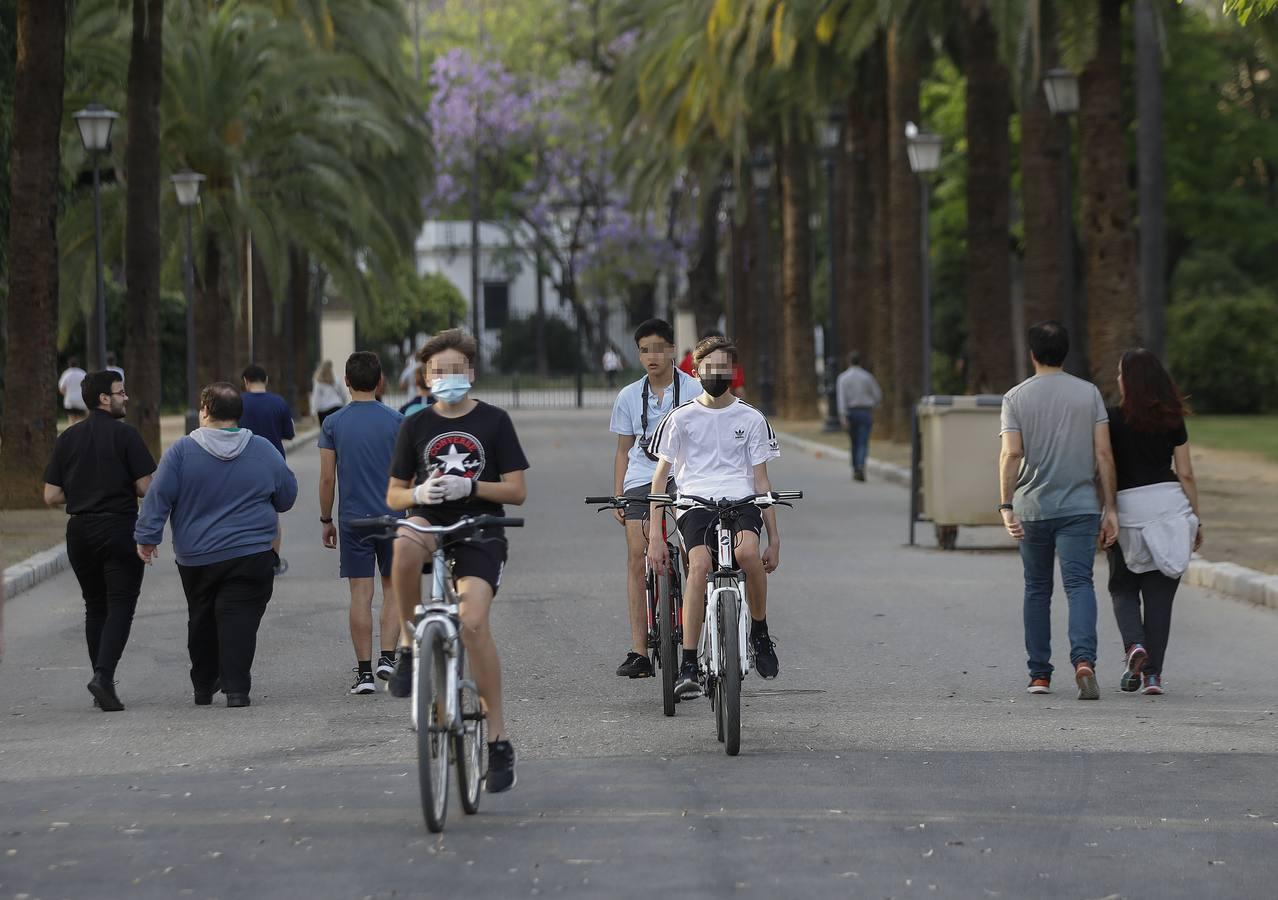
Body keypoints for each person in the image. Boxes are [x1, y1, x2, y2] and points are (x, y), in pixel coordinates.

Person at [386, 329, 529, 793]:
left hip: (481, 528)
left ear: (470, 373)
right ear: (424, 379)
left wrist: (472, 487)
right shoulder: (415, 424)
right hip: (430, 520)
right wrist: (419, 493)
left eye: (455, 370)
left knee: (472, 624)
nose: (446, 378)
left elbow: (516, 490)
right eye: (437, 372)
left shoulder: (494, 421)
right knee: (403, 545)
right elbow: (394, 495)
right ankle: (409, 642)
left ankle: (498, 737)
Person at [135, 383, 298, 708]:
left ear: (205, 411)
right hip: (251, 553)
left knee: (202, 616)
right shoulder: (263, 449)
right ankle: (237, 688)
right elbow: (287, 496)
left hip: (197, 555)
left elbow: (158, 496)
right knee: (240, 617)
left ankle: (203, 683)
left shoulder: (181, 452)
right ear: (239, 414)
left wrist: (147, 536)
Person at [647, 335, 782, 700]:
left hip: (742, 501)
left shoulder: (751, 418)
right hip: (695, 504)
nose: (716, 373)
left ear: (733, 373)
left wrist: (775, 538)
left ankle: (759, 631)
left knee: (748, 555)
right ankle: (689, 662)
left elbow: (761, 479)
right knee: (700, 565)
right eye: (710, 367)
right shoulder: (681, 418)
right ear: (697, 370)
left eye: (723, 367)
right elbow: (661, 478)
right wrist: (657, 536)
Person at [999, 321, 1118, 701]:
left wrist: (1005, 504)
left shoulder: (1015, 398)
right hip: (1081, 507)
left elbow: (1011, 453)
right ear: (1066, 353)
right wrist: (1110, 507)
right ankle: (1084, 661)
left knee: (1037, 589)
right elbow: (1103, 454)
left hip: (1032, 508)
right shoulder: (1089, 394)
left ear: (1032, 354)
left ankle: (1039, 675)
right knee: (1079, 584)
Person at [43, 370, 156, 711]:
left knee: (95, 605)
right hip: (118, 527)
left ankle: (100, 680)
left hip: (79, 531)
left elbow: (51, 495)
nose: (126, 398)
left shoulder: (67, 438)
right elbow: (145, 488)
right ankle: (103, 678)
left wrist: (82, 492)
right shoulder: (126, 436)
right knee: (121, 604)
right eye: (121, 392)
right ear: (105, 398)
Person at [607, 318, 700, 678]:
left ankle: (696, 643)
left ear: (673, 350)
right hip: (641, 479)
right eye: (645, 350)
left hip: (685, 478)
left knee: (695, 554)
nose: (652, 356)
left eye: (659, 348)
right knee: (635, 554)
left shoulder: (693, 390)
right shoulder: (628, 396)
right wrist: (619, 492)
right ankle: (639, 650)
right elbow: (622, 450)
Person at [1106, 349, 1201, 696]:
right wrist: (1196, 519)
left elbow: (1106, 463)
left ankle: (1134, 646)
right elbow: (1186, 472)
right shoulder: (1174, 419)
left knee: (1123, 586)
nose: (1117, 379)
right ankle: (1153, 677)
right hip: (1168, 507)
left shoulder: (1112, 419)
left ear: (1127, 381)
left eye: (1120, 374)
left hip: (1128, 510)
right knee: (1161, 596)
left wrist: (1107, 508)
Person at [318, 352, 405, 695]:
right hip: (393, 517)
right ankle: (388, 656)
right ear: (380, 381)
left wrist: (326, 519)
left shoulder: (333, 423)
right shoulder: (397, 421)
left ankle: (365, 673)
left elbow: (327, 480)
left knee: (360, 594)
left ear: (347, 382)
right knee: (393, 589)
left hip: (354, 520)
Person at [239, 364, 296, 576]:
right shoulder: (279, 402)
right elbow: (289, 433)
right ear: (267, 380)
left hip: (242, 464)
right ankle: (273, 561)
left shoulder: (239, 402)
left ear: (245, 381)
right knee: (272, 514)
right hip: (273, 465)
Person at [836, 351, 883, 482]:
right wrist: (875, 405)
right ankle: (861, 465)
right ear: (860, 362)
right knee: (863, 441)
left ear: (849, 362)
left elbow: (841, 398)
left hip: (850, 413)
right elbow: (877, 394)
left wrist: (842, 416)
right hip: (865, 412)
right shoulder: (867, 377)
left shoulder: (843, 378)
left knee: (854, 442)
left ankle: (856, 467)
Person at [311, 360, 348, 425]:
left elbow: (315, 398)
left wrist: (313, 411)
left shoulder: (318, 381)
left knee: (325, 431)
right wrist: (344, 404)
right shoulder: (336, 379)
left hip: (323, 410)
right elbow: (343, 394)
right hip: (337, 406)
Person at [58, 357, 88, 424]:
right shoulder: (82, 373)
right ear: (78, 364)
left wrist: (66, 394)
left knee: (71, 421)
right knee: (83, 420)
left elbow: (61, 388)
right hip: (81, 401)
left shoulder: (66, 373)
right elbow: (87, 387)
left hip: (70, 401)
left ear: (69, 364)